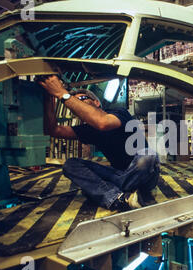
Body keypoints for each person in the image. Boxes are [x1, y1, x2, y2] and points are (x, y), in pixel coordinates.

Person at [38, 75, 159, 212]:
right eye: (74, 103)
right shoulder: (88, 130)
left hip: (142, 174)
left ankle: (105, 190)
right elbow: (53, 130)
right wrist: (48, 98)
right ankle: (117, 198)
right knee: (70, 165)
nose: (77, 105)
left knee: (148, 155)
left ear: (96, 102)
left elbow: (103, 123)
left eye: (82, 100)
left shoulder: (119, 112)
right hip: (118, 174)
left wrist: (63, 94)